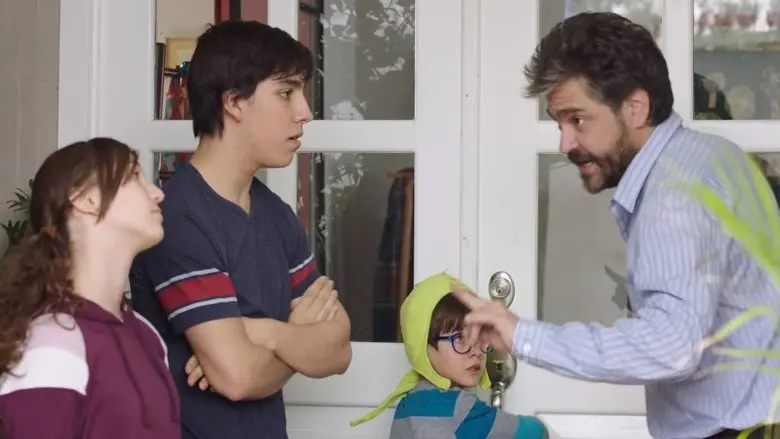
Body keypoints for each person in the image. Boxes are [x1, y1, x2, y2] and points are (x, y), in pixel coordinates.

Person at [453, 11, 780, 439]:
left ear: (635, 107)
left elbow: (672, 347)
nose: (565, 143)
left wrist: (524, 336)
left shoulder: (672, 195)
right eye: (558, 123)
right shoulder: (713, 155)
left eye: (578, 119)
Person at [130, 20, 352, 439]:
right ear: (234, 102)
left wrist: (263, 333)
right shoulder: (178, 219)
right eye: (286, 93)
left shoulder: (276, 214)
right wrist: (297, 337)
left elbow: (339, 349)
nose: (305, 112)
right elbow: (238, 377)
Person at [0, 138, 179, 438]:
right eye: (135, 176)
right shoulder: (51, 345)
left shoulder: (148, 336)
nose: (157, 194)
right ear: (86, 199)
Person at [350, 273, 547, 438]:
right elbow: (533, 432)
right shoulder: (460, 408)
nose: (476, 351)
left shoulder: (406, 406)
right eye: (459, 338)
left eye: (480, 335)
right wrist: (543, 427)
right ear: (424, 347)